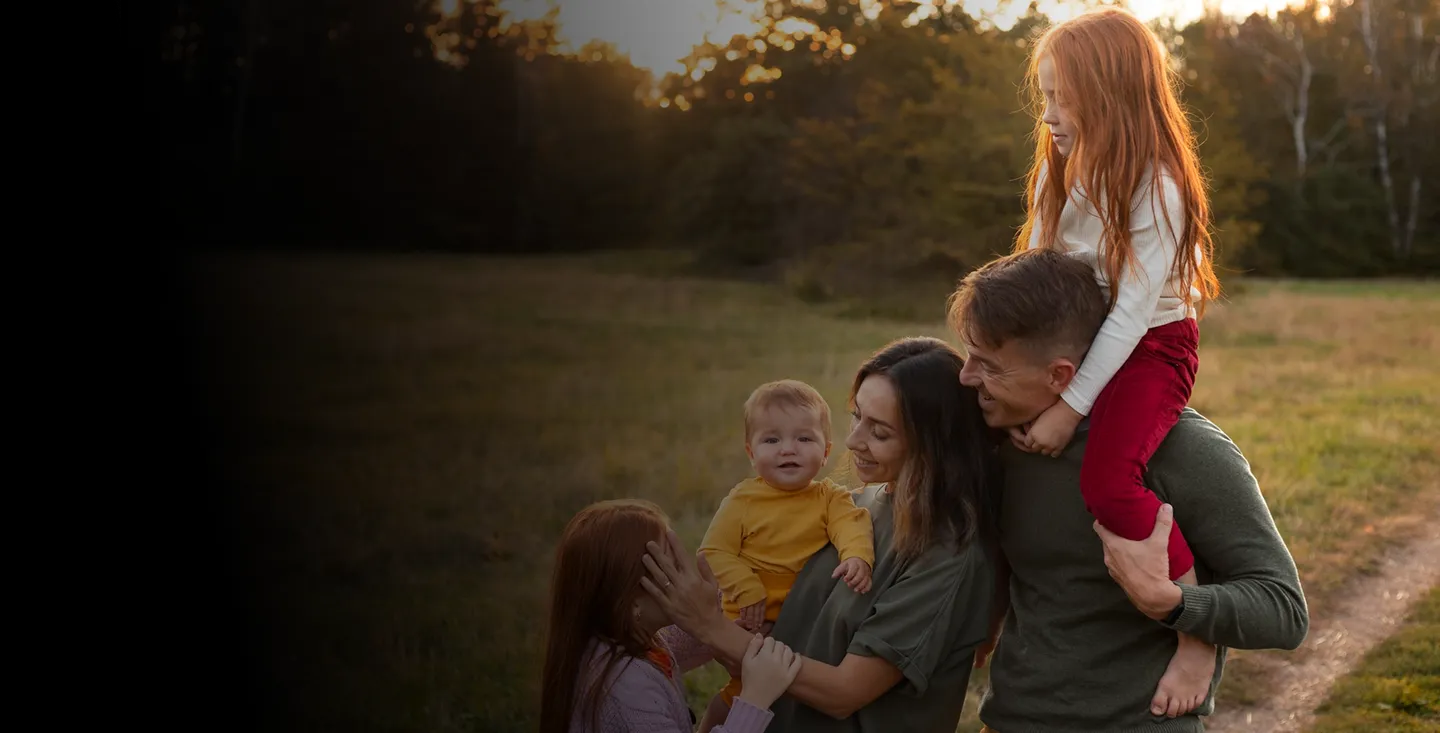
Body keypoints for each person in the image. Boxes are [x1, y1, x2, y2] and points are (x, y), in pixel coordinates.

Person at [949, 248, 1309, 732]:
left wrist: (1174, 603)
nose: (967, 377)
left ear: (1060, 375)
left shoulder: (1181, 449)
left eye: (988, 365)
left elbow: (1282, 610)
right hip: (1012, 721)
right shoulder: (1000, 442)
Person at [1004, 6, 1224, 715]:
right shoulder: (1059, 168)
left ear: (1109, 96)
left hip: (1152, 346)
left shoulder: (1156, 183)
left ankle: (1196, 626)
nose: (1049, 115)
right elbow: (1033, 268)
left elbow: (1132, 312)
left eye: (1061, 98)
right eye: (1043, 97)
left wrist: (1069, 408)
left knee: (1106, 478)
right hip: (1072, 335)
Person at [642, 337, 1003, 733]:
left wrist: (715, 630)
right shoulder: (856, 504)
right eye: (857, 416)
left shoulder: (948, 556)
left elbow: (844, 691)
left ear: (934, 446)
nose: (853, 441)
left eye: (879, 432)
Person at [696, 379, 875, 733]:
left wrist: (857, 558)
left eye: (804, 439)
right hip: (751, 615)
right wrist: (747, 588)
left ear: (826, 451)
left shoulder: (829, 498)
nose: (787, 450)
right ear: (751, 452)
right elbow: (714, 551)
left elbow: (852, 525)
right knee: (738, 694)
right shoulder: (743, 500)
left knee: (788, 698)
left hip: (803, 620)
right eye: (772, 440)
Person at [538, 499, 803, 733]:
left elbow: (684, 642)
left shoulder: (630, 640)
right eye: (674, 569)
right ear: (631, 603)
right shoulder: (628, 689)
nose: (689, 579)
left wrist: (719, 618)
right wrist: (755, 698)